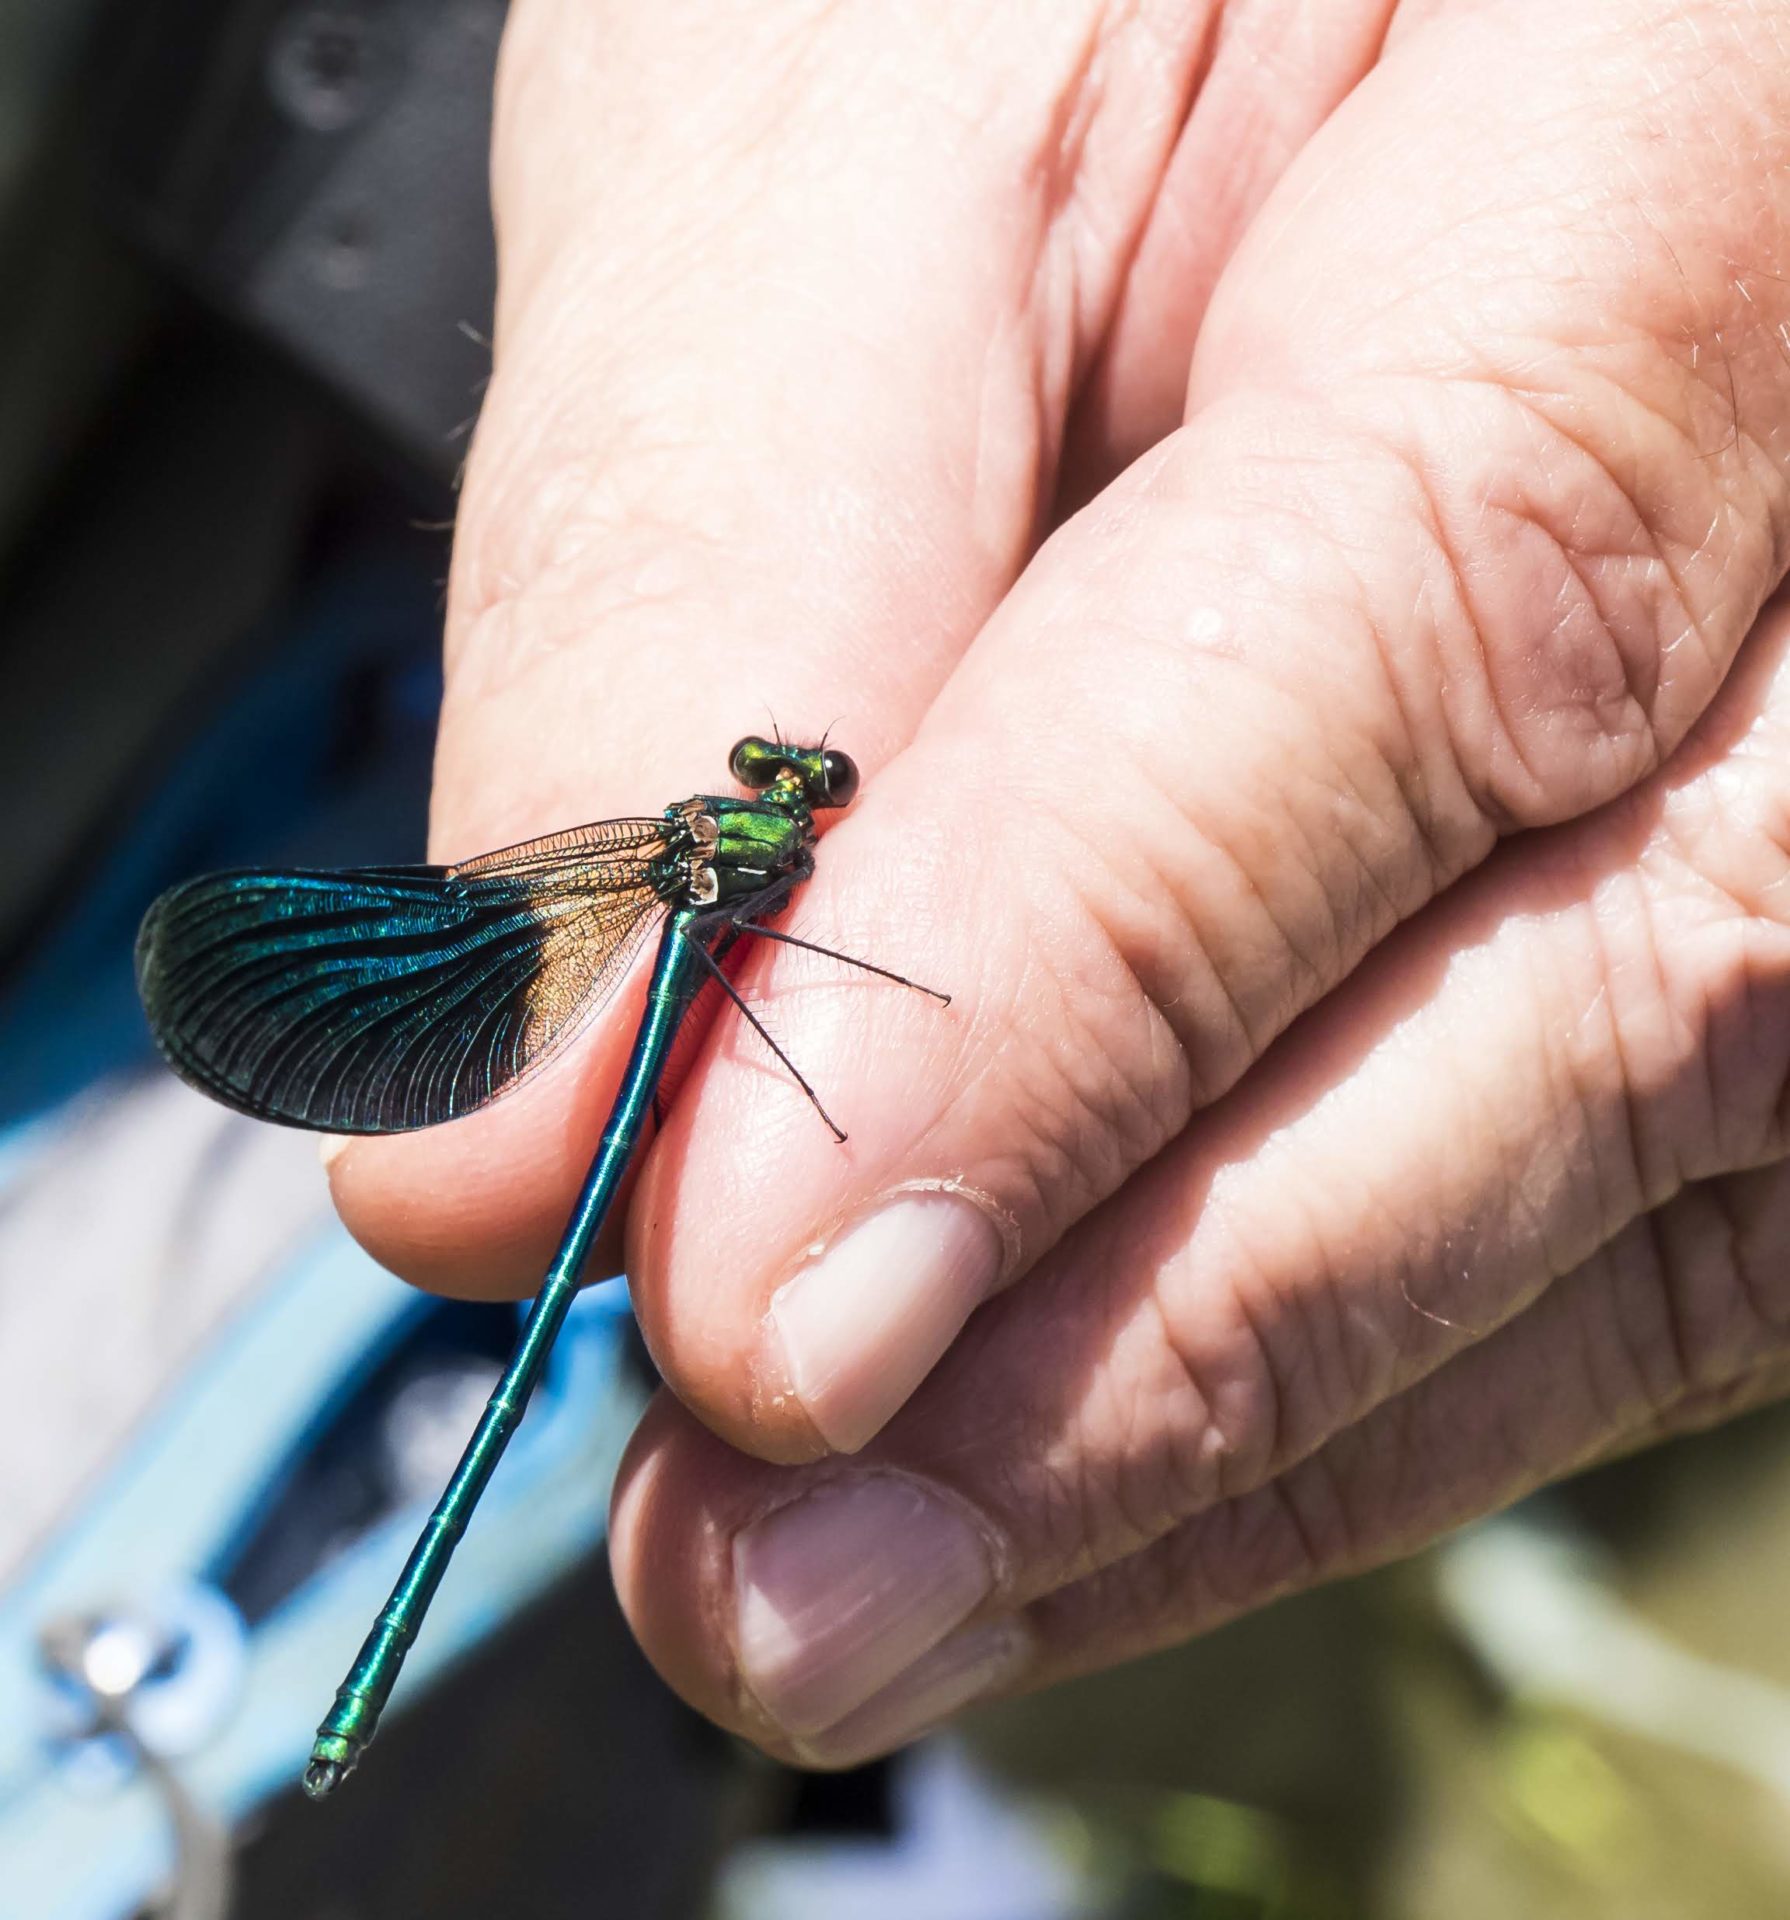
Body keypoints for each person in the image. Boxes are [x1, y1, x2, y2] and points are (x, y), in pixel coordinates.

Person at [324, 0, 1790, 1768]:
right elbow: (798, 1003)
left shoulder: (736, 850)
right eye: (785, 783)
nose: (791, 786)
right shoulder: (701, 858)